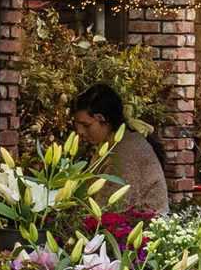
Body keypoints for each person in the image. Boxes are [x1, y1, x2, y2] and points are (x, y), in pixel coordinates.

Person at [68, 82, 168, 219]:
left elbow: (113, 206)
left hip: (142, 232)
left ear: (103, 119)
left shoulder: (126, 150)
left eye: (86, 125)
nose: (80, 132)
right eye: (77, 125)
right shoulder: (111, 143)